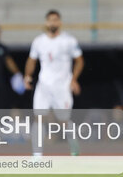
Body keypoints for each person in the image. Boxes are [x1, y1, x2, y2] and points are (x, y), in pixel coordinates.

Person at [24, 10, 84, 156]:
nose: (53, 23)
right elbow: (32, 60)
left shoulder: (69, 41)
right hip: (44, 86)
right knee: (38, 118)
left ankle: (74, 146)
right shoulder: (39, 41)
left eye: (56, 20)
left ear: (60, 22)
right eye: (50, 20)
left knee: (63, 120)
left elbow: (79, 61)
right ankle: (37, 156)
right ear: (46, 22)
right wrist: (27, 76)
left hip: (62, 86)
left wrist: (74, 79)